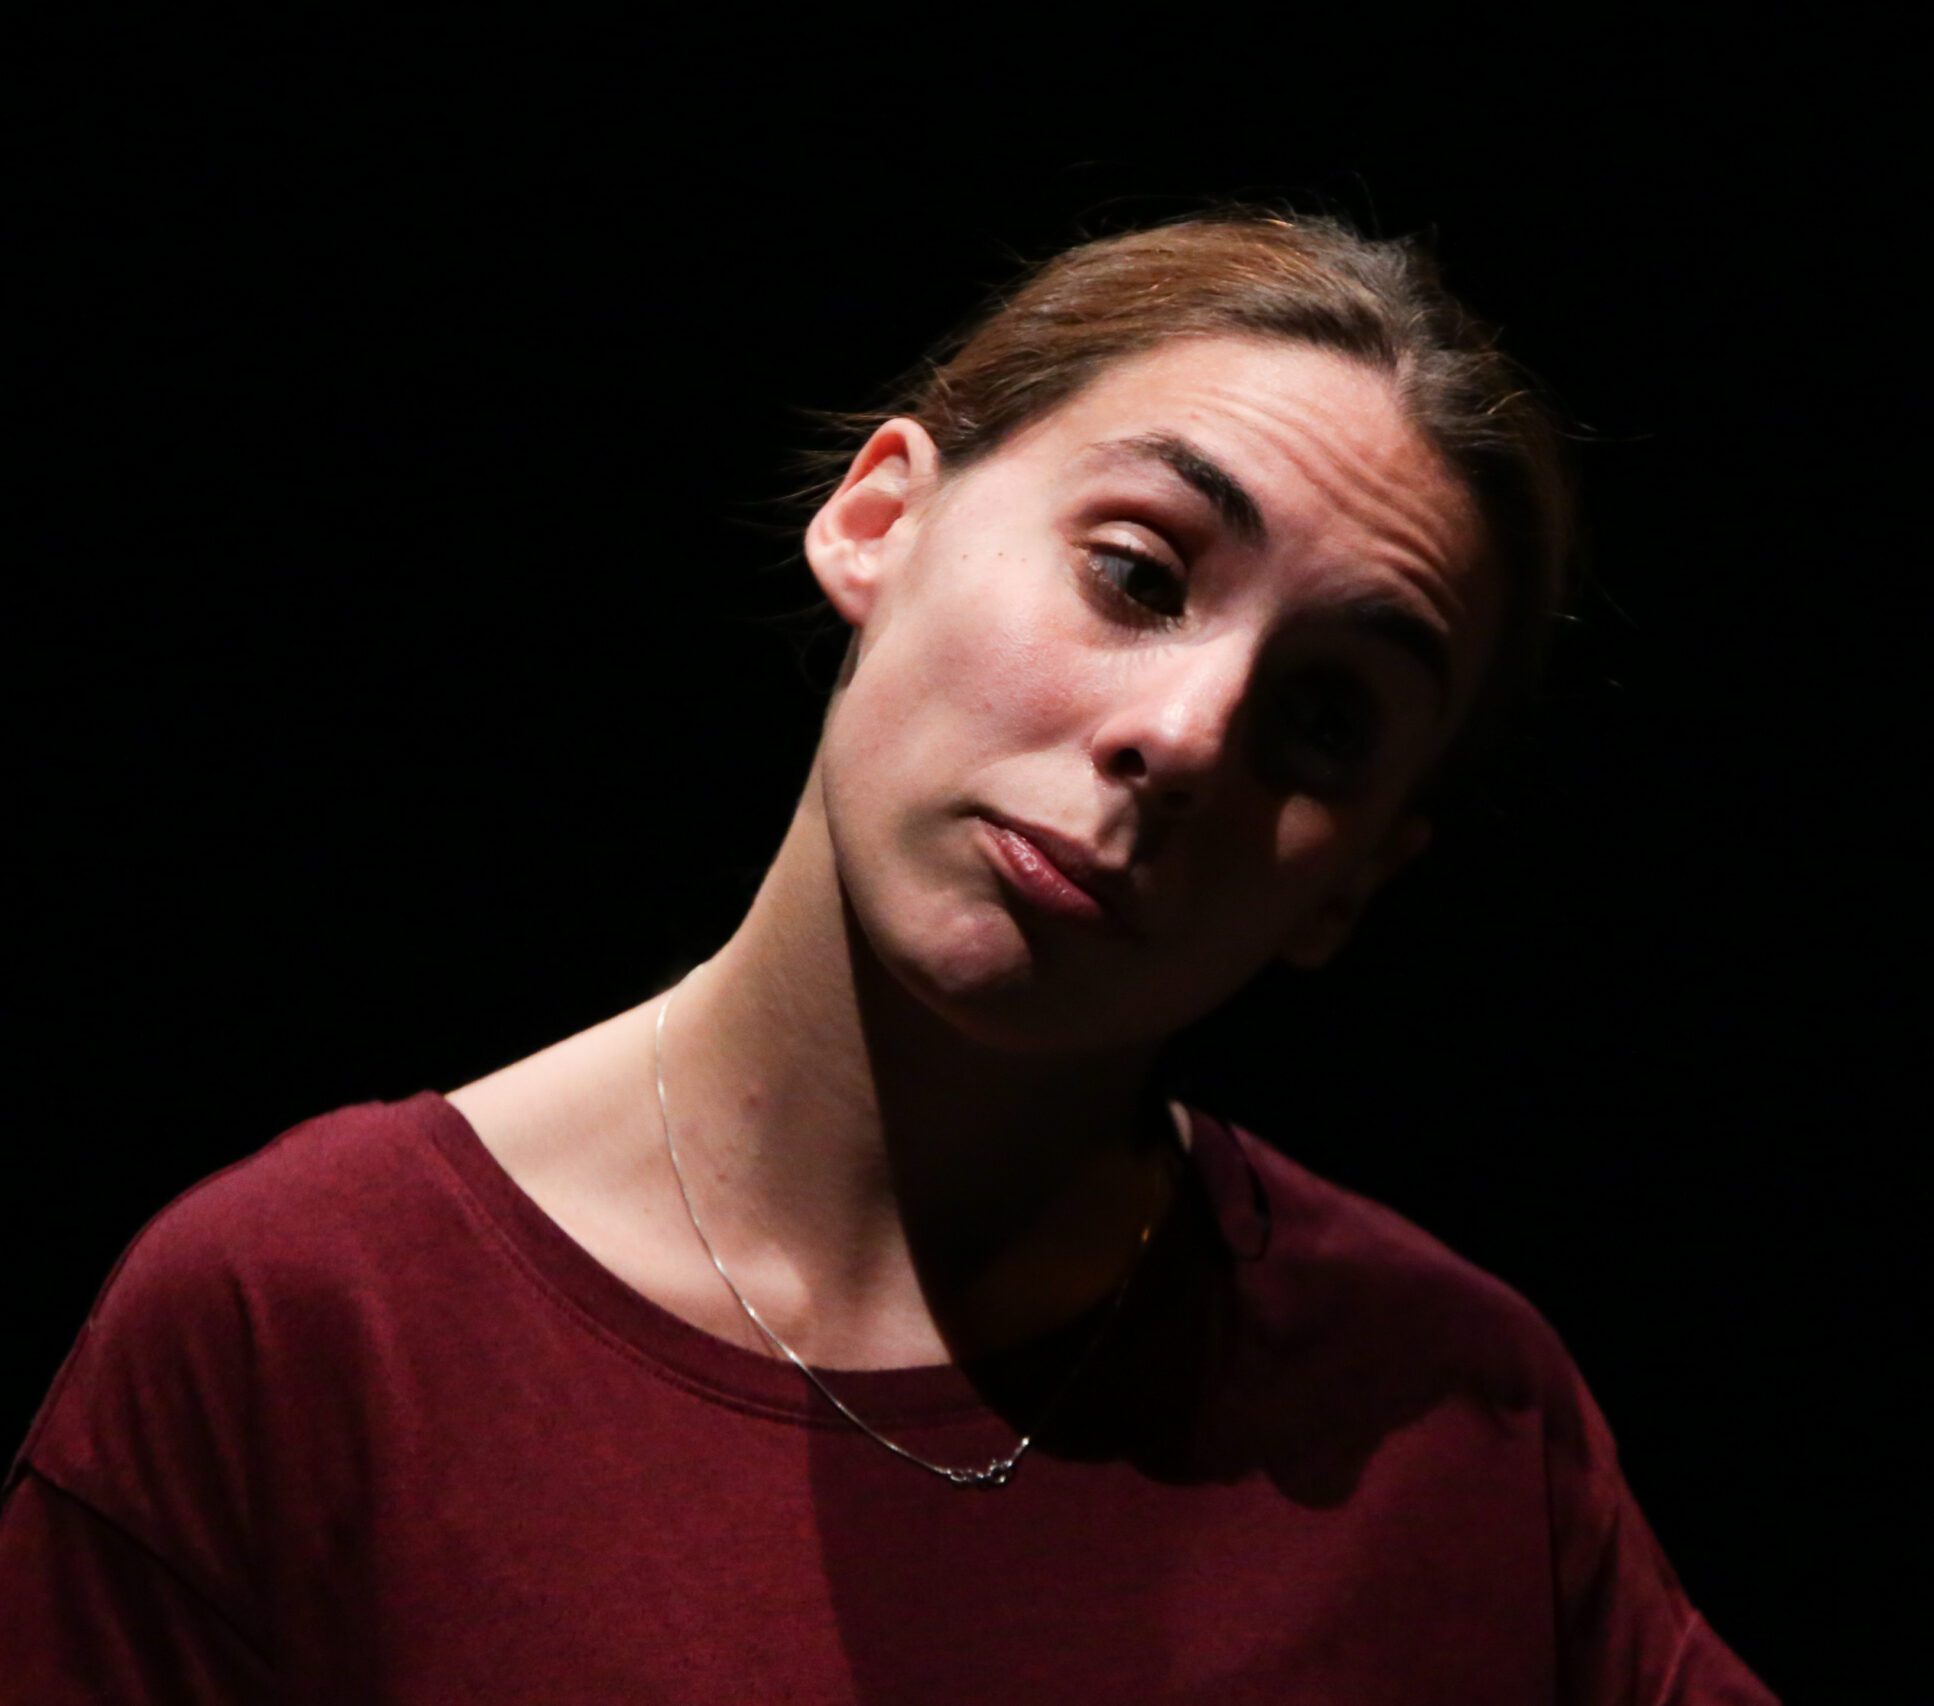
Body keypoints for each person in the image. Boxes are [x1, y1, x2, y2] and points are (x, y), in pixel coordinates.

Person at [2, 209, 1774, 1703]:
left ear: (1358, 880)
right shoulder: (306, 1329)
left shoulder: (1444, 1422)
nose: (1186, 735)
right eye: (1139, 573)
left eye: (1323, 720)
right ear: (878, 518)